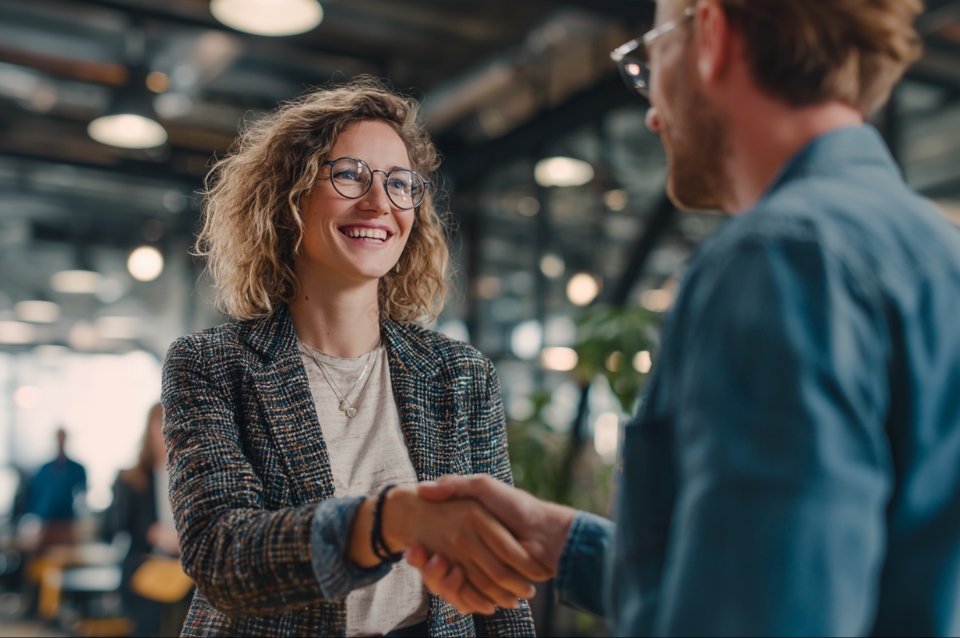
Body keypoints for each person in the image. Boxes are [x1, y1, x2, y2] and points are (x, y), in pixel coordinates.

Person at [407, 0, 960, 635]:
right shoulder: (936, 253)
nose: (649, 113)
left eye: (652, 57)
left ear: (712, 36)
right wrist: (564, 544)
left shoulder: (780, 260)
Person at [161, 78, 546, 637]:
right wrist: (388, 521)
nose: (379, 203)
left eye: (399, 183)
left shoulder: (460, 375)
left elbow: (496, 578)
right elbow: (223, 557)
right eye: (349, 175)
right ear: (287, 197)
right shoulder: (212, 365)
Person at [102, 403, 182, 637]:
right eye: (161, 424)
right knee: (151, 621)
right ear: (150, 429)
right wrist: (152, 532)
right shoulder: (131, 479)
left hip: (186, 568)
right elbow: (110, 529)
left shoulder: (196, 474)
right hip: (146, 564)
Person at [24, 428, 86, 550]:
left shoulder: (77, 469)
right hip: (46, 523)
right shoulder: (44, 469)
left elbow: (82, 497)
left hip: (67, 523)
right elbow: (34, 497)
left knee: (68, 558)